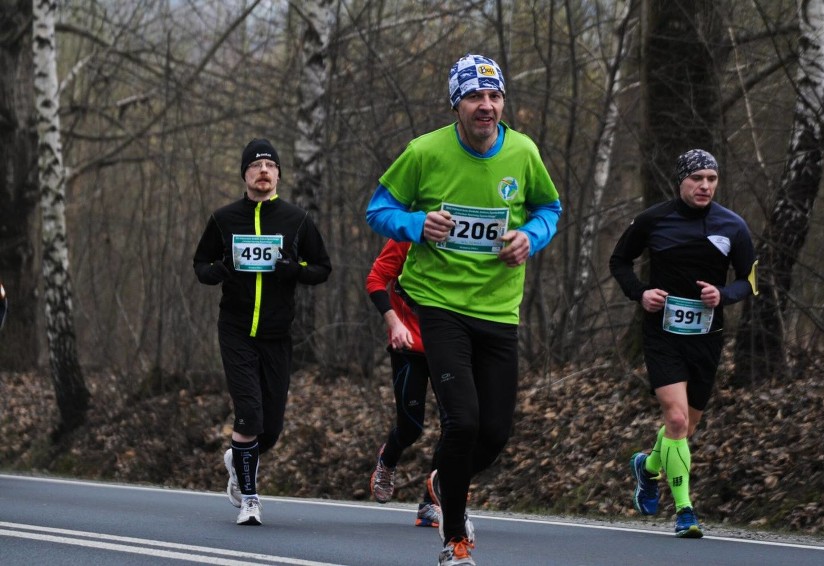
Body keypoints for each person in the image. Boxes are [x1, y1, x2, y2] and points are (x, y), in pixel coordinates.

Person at [366, 54, 562, 566]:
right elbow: (377, 210)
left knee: (495, 432)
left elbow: (550, 209)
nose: (487, 106)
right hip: (439, 304)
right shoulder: (424, 152)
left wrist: (530, 237)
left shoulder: (522, 151)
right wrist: (416, 225)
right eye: (475, 96)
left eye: (494, 97)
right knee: (464, 422)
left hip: (499, 310)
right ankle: (454, 540)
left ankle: (442, 478)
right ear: (457, 103)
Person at [609, 149, 757, 538]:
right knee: (674, 420)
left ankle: (648, 466)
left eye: (711, 178)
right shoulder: (653, 220)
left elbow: (749, 279)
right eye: (697, 179)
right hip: (662, 335)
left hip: (707, 337)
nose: (705, 185)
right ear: (681, 182)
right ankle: (685, 512)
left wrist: (723, 296)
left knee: (685, 428)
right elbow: (619, 261)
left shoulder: (733, 226)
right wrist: (640, 293)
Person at [193, 138, 332, 526]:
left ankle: (237, 458)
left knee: (270, 429)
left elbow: (322, 267)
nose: (264, 171)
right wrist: (215, 271)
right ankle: (250, 499)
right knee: (249, 414)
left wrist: (295, 271)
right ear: (245, 174)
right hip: (235, 329)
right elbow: (200, 263)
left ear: (279, 175)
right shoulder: (224, 219)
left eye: (271, 165)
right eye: (256, 166)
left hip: (276, 333)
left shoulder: (296, 219)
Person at [366, 238, 442, 528]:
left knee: (457, 425)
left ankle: (431, 503)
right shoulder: (406, 234)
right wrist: (393, 322)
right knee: (411, 427)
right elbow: (375, 279)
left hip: (449, 346)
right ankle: (387, 458)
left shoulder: (466, 237)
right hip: (408, 344)